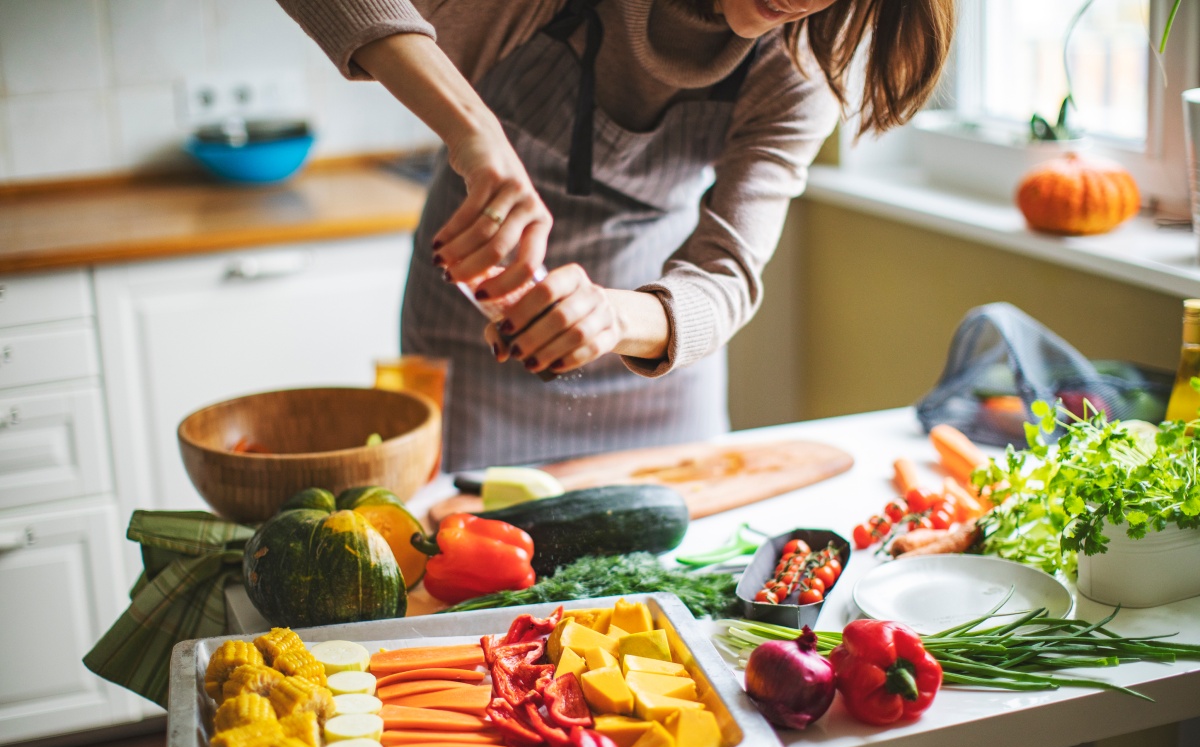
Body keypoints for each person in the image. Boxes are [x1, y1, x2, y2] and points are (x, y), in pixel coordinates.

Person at [276, 0, 954, 470]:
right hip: (476, 336)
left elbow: (727, 274)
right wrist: (473, 131)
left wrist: (616, 317)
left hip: (653, 364)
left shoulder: (801, 70)